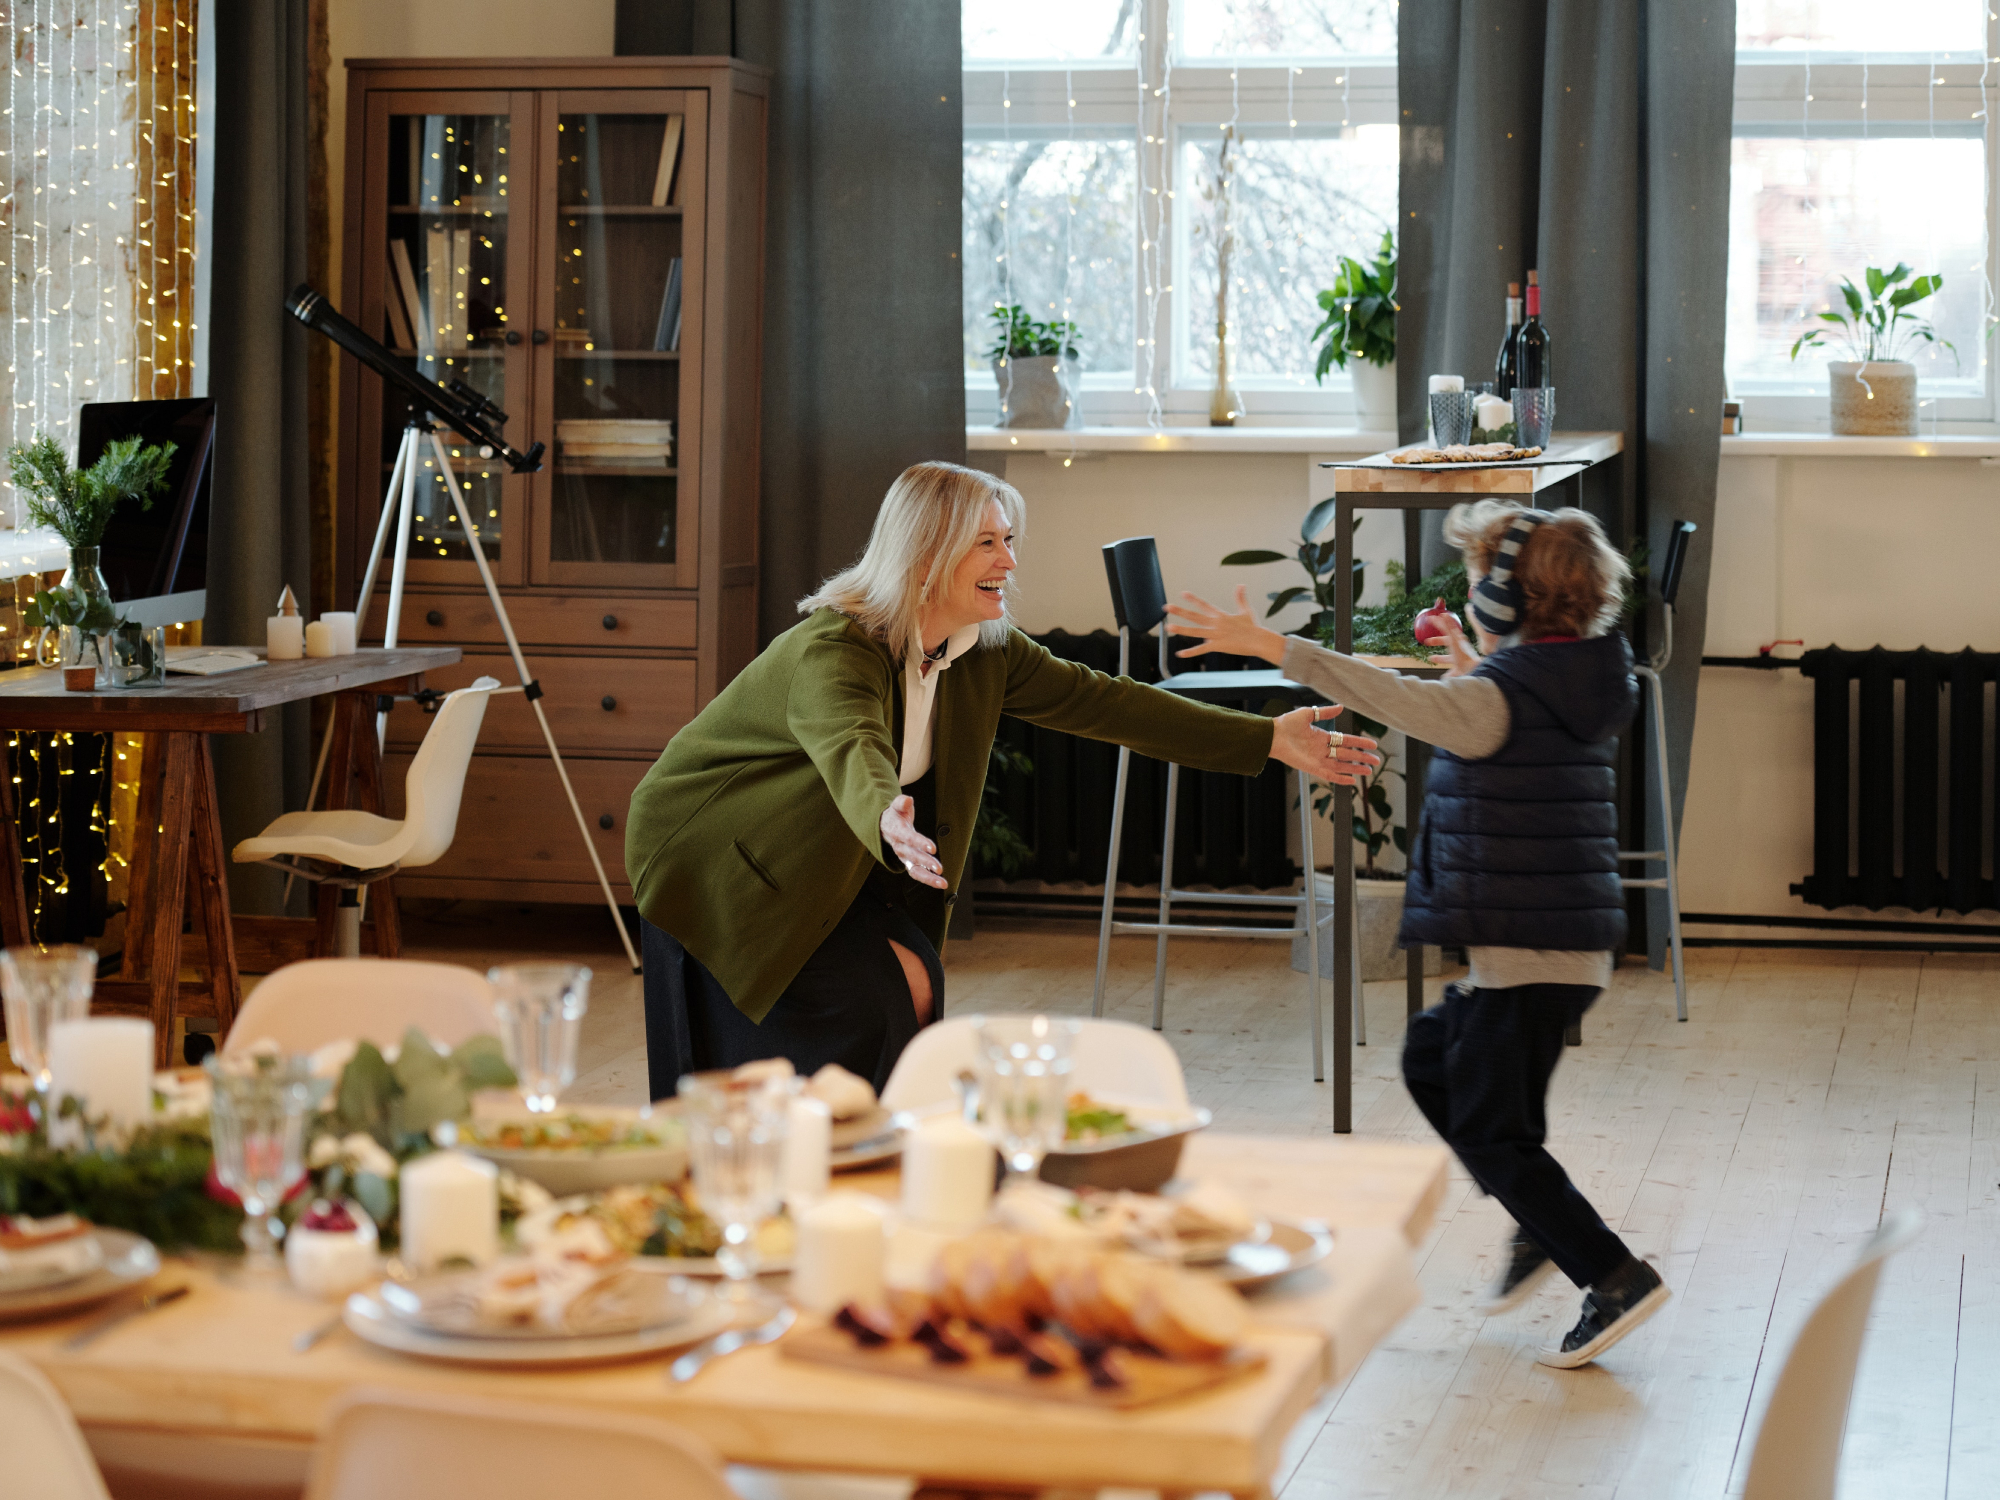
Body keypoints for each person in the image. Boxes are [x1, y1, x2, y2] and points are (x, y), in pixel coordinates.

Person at [624, 460, 1383, 1100]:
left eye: (1009, 540)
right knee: (872, 1004)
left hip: (829, 855)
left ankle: (870, 1163)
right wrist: (886, 812)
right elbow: (850, 743)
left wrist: (1268, 739)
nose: (1010, 561)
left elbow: (1105, 701)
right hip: (720, 855)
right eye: (986, 543)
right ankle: (820, 1161)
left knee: (914, 983)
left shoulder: (983, 649)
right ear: (925, 555)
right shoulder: (839, 649)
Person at [1167, 499, 1669, 1370]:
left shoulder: (1493, 702)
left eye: (1480, 583)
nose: (1472, 593)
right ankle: (1537, 1218)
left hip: (1525, 955)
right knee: (1434, 1059)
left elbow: (1397, 700)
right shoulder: (1571, 675)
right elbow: (1505, 716)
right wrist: (1470, 659)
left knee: (1492, 1129)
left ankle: (1611, 1274)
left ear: (1510, 599)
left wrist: (1277, 648)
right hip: (1558, 947)